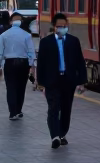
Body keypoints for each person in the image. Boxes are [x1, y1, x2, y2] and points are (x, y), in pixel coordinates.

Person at [36, 13, 87, 148]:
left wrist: (82, 81)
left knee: (66, 109)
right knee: (53, 108)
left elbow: (79, 62)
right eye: (59, 26)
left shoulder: (73, 41)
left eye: (64, 26)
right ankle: (55, 136)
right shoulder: (45, 42)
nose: (62, 28)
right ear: (54, 26)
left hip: (68, 80)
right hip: (52, 81)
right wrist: (40, 82)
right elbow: (41, 63)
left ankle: (62, 133)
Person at [0, 12, 36, 120]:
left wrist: (1, 66)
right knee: (21, 87)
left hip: (9, 63)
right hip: (23, 63)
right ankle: (19, 110)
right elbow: (31, 52)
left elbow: (0, 52)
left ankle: (13, 112)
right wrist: (31, 66)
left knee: (11, 87)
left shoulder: (3, 35)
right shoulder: (27, 35)